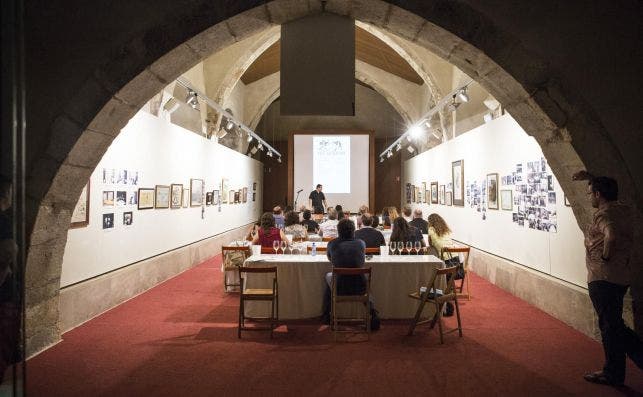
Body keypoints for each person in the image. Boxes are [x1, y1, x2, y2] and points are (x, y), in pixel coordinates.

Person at [572, 171, 642, 386]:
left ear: (599, 194)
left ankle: (614, 372)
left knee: (610, 327)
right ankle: (617, 370)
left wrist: (604, 255)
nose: (589, 197)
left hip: (603, 277)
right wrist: (591, 176)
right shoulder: (623, 209)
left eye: (590, 193)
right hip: (621, 276)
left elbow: (610, 234)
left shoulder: (603, 214)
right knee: (613, 324)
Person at [322, 219, 378, 329]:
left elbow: (330, 259)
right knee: (365, 281)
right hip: (360, 287)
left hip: (339, 288)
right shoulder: (361, 243)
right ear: (354, 230)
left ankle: (327, 314)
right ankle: (373, 312)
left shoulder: (332, 243)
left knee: (329, 276)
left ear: (338, 231)